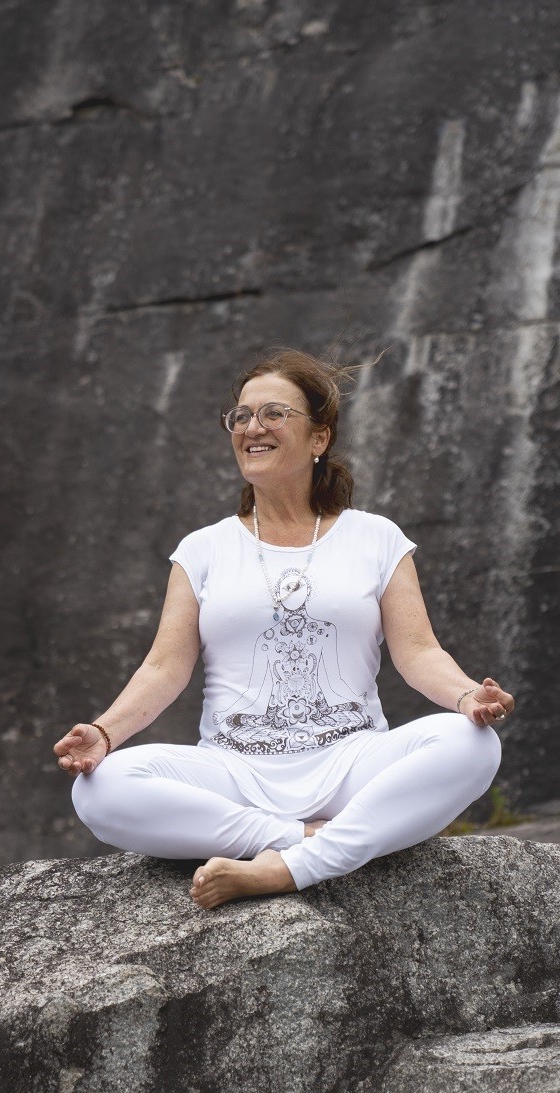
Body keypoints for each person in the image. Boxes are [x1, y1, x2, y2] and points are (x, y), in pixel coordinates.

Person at [54, 348, 514, 910]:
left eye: (274, 413)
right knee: (100, 789)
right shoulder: (203, 549)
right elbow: (164, 667)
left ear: (319, 437)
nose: (253, 427)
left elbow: (418, 652)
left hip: (351, 764)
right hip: (234, 771)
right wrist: (103, 734)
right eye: (242, 416)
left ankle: (285, 870)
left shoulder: (375, 538)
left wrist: (468, 697)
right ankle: (304, 842)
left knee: (472, 744)